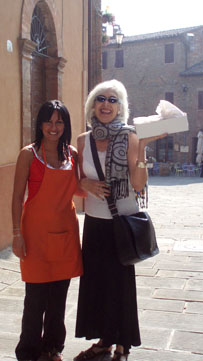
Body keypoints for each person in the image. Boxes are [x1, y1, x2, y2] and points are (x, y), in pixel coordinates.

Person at [74, 79, 167, 361]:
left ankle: (122, 345)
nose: (106, 104)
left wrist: (143, 150)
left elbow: (138, 185)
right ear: (92, 104)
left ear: (120, 107)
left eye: (113, 100)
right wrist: (85, 184)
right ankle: (104, 339)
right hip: (93, 222)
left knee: (120, 285)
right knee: (97, 284)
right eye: (101, 99)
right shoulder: (82, 140)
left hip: (121, 220)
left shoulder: (129, 136)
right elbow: (76, 182)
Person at [12, 100, 84, 361]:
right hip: (36, 238)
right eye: (48, 121)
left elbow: (80, 188)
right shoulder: (28, 154)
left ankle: (52, 349)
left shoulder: (73, 155)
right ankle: (28, 353)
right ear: (40, 124)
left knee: (58, 301)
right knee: (34, 301)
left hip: (65, 236)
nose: (53, 127)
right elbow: (17, 196)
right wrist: (16, 234)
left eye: (59, 122)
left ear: (66, 125)